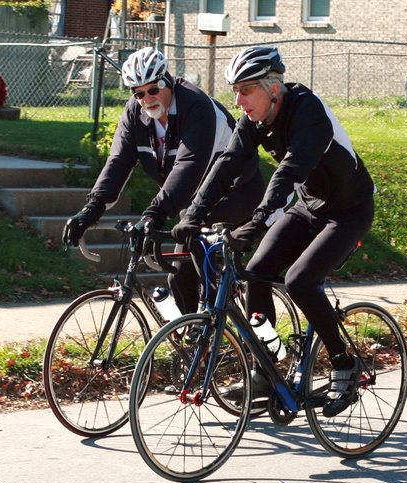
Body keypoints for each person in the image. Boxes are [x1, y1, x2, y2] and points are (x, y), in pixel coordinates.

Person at [172, 47, 376, 417]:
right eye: (235, 90)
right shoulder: (254, 120)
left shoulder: (309, 114)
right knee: (256, 272)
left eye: (246, 90)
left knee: (299, 281)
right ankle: (265, 367)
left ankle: (344, 362)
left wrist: (258, 219)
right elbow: (228, 162)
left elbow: (289, 171)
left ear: (273, 87)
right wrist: (193, 213)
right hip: (309, 204)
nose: (238, 100)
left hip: (348, 210)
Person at [62, 47, 264, 314]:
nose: (146, 99)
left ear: (167, 81)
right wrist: (91, 210)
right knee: (179, 276)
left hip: (238, 190)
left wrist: (154, 214)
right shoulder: (135, 114)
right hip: (195, 200)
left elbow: (189, 165)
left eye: (153, 90)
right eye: (139, 93)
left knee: (195, 254)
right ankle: (197, 345)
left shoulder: (196, 106)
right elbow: (119, 162)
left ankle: (236, 331)